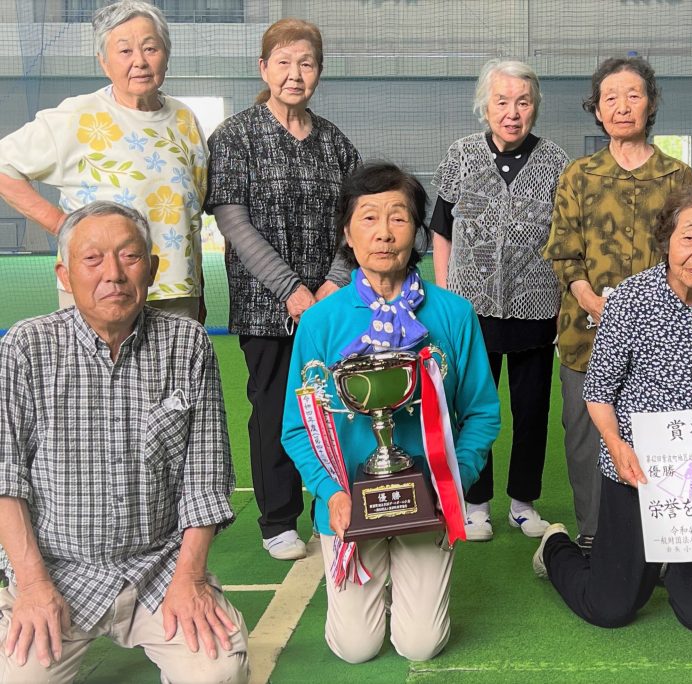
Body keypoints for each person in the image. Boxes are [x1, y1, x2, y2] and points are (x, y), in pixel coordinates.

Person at [0, 202, 248, 682]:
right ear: (65, 274)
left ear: (151, 270)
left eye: (129, 257)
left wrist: (191, 580)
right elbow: (4, 478)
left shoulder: (188, 344)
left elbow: (206, 481)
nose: (112, 274)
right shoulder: (24, 348)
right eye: (92, 259)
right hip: (58, 572)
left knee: (218, 674)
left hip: (160, 570)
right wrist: (31, 586)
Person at [533, 181, 692, 632]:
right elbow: (599, 391)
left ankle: (670, 561)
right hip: (635, 470)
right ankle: (555, 547)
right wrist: (615, 444)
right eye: (688, 237)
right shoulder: (629, 299)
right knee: (610, 609)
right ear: (667, 240)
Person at [281, 163, 500, 663]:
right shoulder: (319, 322)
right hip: (348, 508)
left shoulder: (454, 314)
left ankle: (407, 584)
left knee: (420, 645)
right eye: (369, 218)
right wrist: (331, 493)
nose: (384, 233)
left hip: (428, 501)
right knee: (357, 648)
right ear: (347, 233)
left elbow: (483, 414)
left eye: (399, 218)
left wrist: (449, 483)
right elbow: (297, 428)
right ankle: (366, 589)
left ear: (418, 231)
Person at [206, 18, 360, 561]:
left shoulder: (337, 143)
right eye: (285, 62)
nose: (296, 74)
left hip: (331, 306)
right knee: (274, 409)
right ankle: (278, 520)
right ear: (264, 68)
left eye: (307, 63)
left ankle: (333, 506)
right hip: (265, 309)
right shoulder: (234, 137)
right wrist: (292, 290)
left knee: (336, 408)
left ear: (319, 71)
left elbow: (355, 223)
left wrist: (332, 286)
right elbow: (233, 220)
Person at [542, 56, 692, 552]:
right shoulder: (578, 175)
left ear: (650, 104)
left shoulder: (678, 176)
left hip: (664, 336)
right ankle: (594, 535)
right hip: (588, 332)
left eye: (633, 95)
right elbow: (563, 250)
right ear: (597, 109)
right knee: (587, 433)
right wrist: (590, 299)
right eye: (611, 97)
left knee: (661, 432)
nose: (622, 106)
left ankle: (663, 538)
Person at [0, 0, 208, 320]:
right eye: (125, 51)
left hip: (177, 296)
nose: (139, 61)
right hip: (99, 293)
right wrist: (63, 225)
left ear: (166, 55)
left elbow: (191, 214)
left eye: (151, 48)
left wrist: (199, 291)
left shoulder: (185, 119)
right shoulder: (78, 115)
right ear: (104, 62)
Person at [431, 59, 569, 541]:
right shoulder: (461, 155)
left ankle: (522, 503)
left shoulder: (556, 161)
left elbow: (566, 236)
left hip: (535, 311)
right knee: (473, 409)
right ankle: (476, 502)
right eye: (502, 101)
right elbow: (441, 231)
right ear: (485, 106)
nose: (512, 112)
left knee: (532, 411)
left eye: (523, 102)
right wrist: (447, 296)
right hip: (471, 312)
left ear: (535, 108)